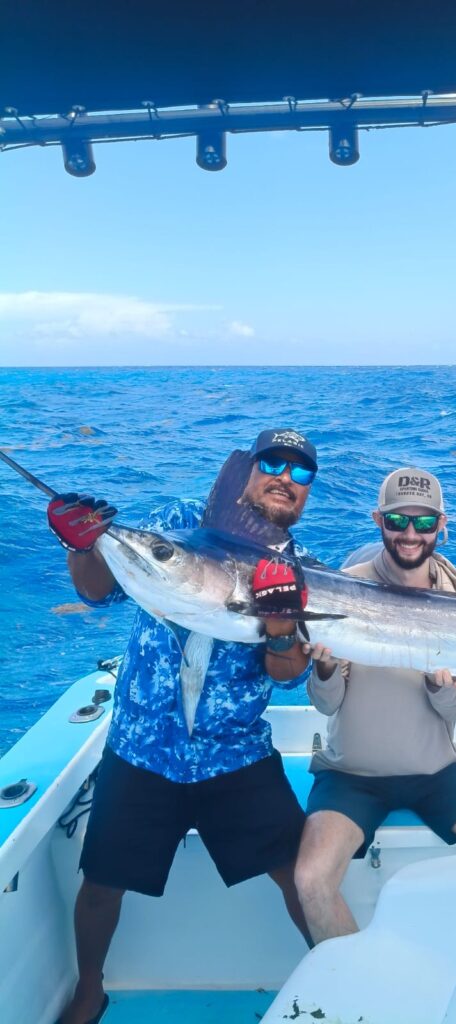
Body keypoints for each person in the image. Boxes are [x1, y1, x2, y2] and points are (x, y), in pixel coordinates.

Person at [51, 428, 319, 1024]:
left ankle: (336, 981)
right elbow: (98, 592)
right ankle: (89, 991)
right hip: (141, 750)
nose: (285, 478)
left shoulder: (297, 567)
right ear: (247, 470)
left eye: (301, 473)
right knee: (101, 884)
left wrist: (281, 630)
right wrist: (82, 547)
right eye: (273, 463)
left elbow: (288, 675)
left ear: (307, 494)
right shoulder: (175, 522)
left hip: (236, 755)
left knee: (299, 878)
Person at [294, 466, 456, 950]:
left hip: (439, 771)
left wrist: (444, 689)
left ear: (442, 525)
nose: (410, 534)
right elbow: (325, 704)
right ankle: (363, 982)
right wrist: (326, 668)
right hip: (351, 774)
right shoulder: (339, 590)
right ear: (378, 520)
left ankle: (444, 950)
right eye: (398, 520)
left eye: (423, 522)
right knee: (310, 880)